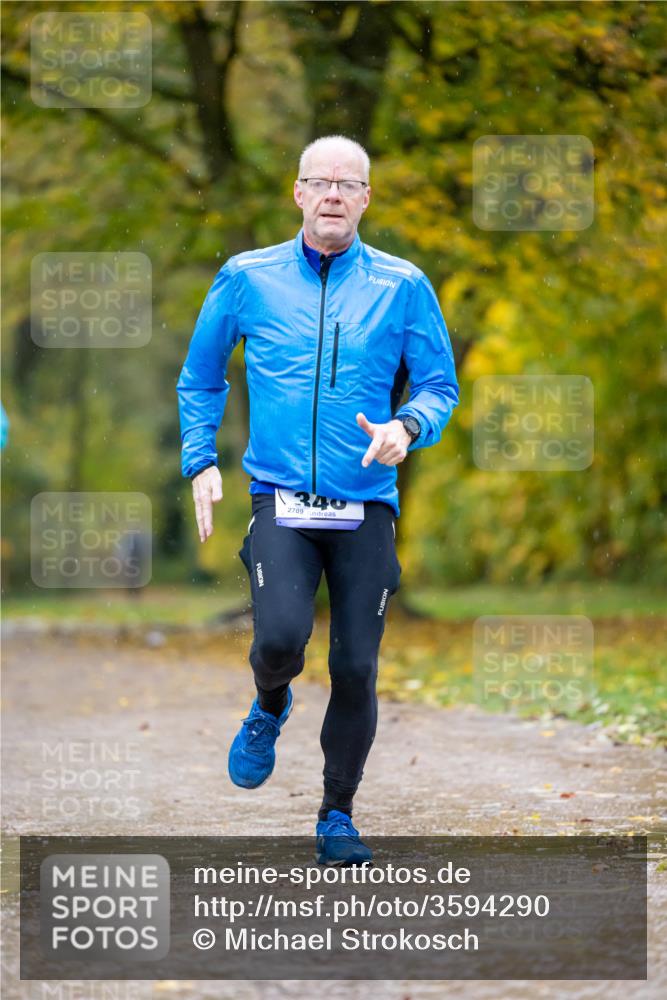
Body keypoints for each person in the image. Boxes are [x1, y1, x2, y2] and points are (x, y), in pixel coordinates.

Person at [177, 135, 459, 865]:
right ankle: (270, 704)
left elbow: (438, 387)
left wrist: (408, 424)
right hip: (281, 501)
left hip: (365, 504)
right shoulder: (246, 277)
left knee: (357, 668)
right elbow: (202, 375)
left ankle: (336, 814)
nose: (333, 193)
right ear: (296, 193)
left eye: (348, 182)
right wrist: (200, 458)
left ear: (366, 198)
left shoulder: (402, 285)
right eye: (319, 181)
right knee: (277, 641)